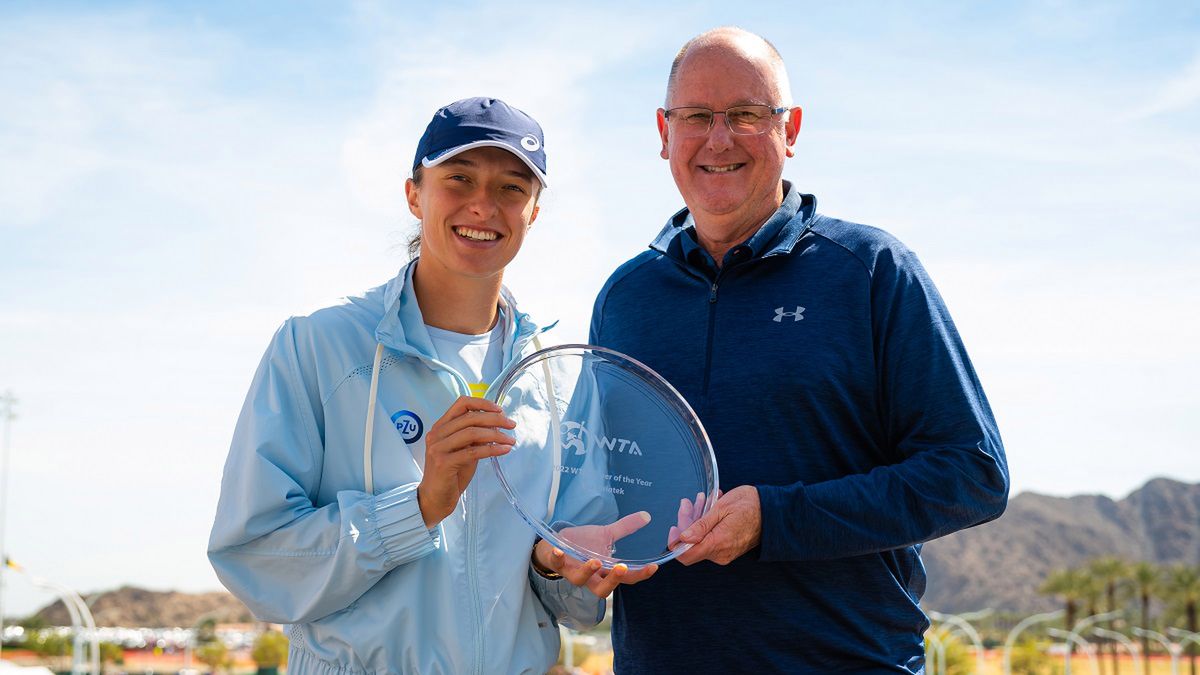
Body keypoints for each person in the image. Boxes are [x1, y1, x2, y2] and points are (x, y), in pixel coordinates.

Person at [589, 28, 1010, 673]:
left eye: (746, 114)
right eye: (696, 116)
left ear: (790, 130)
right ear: (664, 132)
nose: (719, 139)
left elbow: (971, 475)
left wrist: (776, 519)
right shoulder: (624, 296)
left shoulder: (872, 271)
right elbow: (599, 476)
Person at [208, 97, 654, 675]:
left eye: (512, 188)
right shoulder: (316, 345)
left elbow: (569, 604)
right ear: (414, 194)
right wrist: (420, 507)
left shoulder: (561, 375)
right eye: (459, 178)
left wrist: (557, 564)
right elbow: (255, 555)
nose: (483, 205)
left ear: (534, 211)